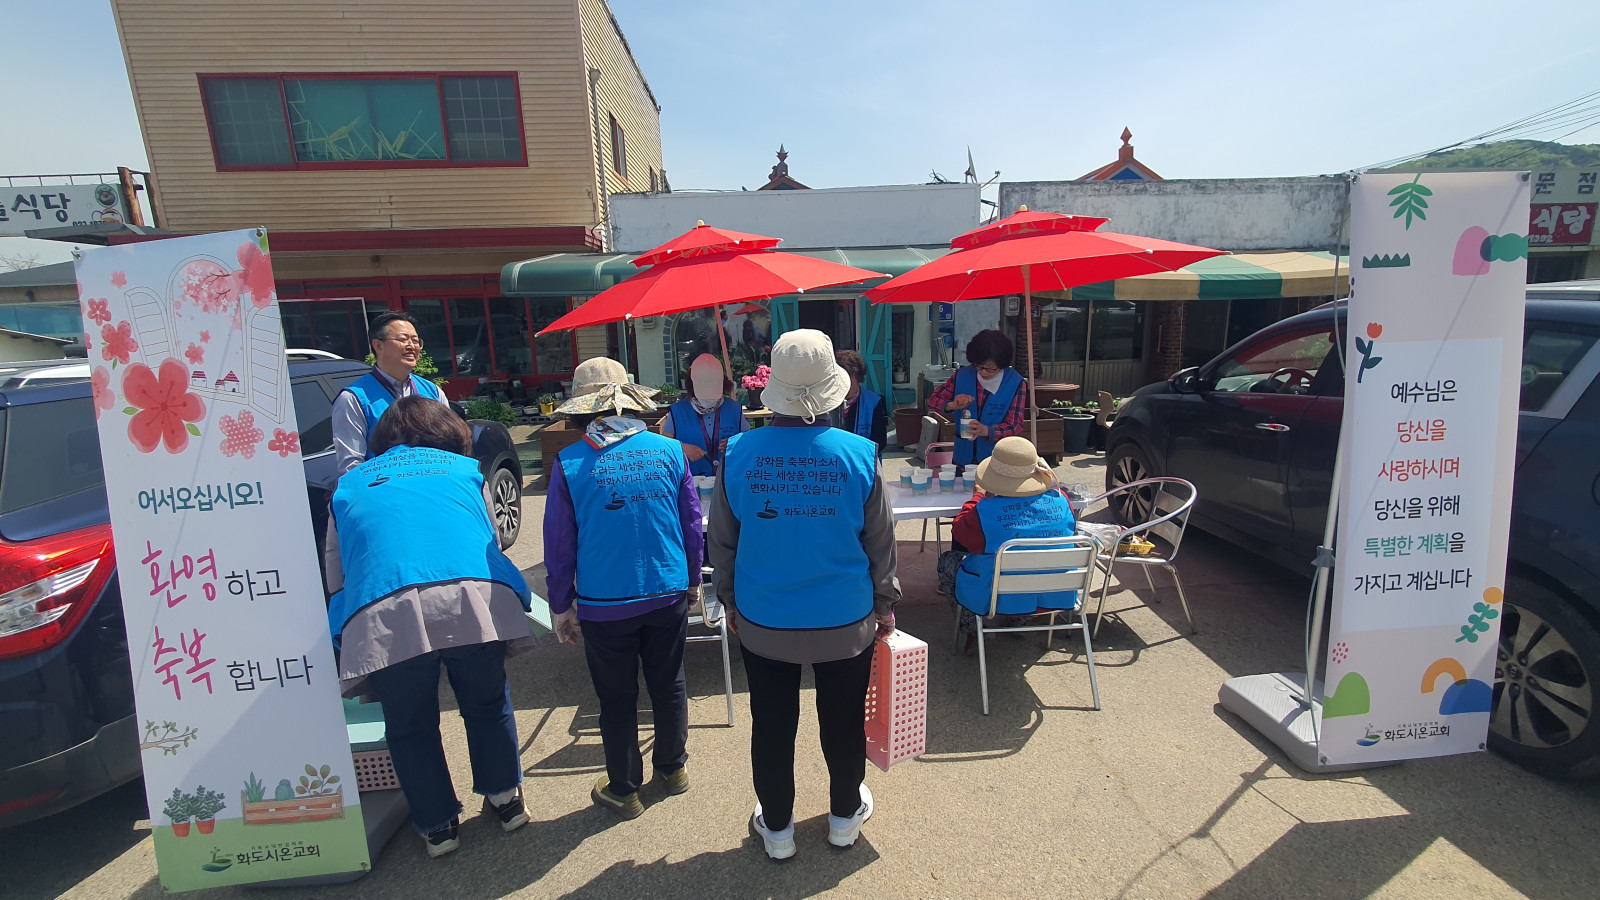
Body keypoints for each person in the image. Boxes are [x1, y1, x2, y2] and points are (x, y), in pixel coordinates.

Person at [707, 329, 900, 861]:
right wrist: (885, 605)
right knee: (843, 722)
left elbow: (722, 541)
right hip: (846, 619)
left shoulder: (737, 452)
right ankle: (843, 819)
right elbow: (881, 543)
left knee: (772, 726)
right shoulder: (860, 453)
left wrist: (729, 600)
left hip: (764, 619)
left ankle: (777, 830)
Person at [325, 396, 535, 858]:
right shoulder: (465, 471)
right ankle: (505, 799)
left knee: (409, 724)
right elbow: (491, 540)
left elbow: (337, 570)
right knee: (486, 704)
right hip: (470, 598)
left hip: (384, 610)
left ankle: (438, 826)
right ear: (447, 431)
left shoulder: (349, 486)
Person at [543, 357, 704, 820]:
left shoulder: (570, 462)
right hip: (667, 589)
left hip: (604, 602)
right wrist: (693, 579)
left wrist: (561, 604)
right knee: (669, 684)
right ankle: (673, 769)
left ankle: (624, 788)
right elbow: (691, 524)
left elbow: (559, 543)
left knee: (616, 698)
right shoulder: (669, 450)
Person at [941, 436, 1077, 653]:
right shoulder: (1063, 502)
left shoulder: (984, 511)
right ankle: (1020, 618)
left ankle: (972, 627)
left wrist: (977, 497)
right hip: (1055, 594)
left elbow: (960, 532)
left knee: (948, 560)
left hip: (994, 598)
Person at [332, 310, 449, 476]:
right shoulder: (353, 399)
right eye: (403, 339)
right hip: (386, 488)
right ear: (378, 346)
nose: (412, 346)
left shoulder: (433, 392)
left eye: (416, 341)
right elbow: (351, 467)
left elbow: (450, 446)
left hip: (434, 483)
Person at [923, 329, 1027, 467]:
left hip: (997, 461)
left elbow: (1015, 425)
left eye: (990, 368)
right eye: (979, 366)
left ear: (1001, 364)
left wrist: (986, 430)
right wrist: (952, 405)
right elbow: (933, 400)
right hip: (963, 458)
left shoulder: (1015, 383)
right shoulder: (962, 375)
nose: (983, 372)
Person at [661, 353, 748, 477]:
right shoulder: (677, 411)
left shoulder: (734, 409)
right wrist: (682, 448)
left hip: (729, 479)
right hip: (691, 481)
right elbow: (664, 445)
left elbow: (748, 441)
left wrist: (736, 444)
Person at [830, 349, 888, 452]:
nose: (844, 388)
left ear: (859, 380)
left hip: (863, 459)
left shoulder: (874, 402)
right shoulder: (825, 403)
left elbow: (880, 442)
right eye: (839, 382)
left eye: (849, 383)